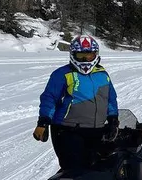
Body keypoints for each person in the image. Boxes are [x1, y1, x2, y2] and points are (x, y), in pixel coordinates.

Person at [33, 35, 119, 171]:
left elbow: (110, 99)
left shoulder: (102, 74)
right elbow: (49, 98)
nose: (85, 59)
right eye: (81, 55)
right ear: (73, 55)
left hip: (97, 130)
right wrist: (43, 121)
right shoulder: (62, 74)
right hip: (68, 130)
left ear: (95, 55)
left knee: (99, 167)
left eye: (89, 55)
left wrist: (113, 119)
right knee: (73, 169)